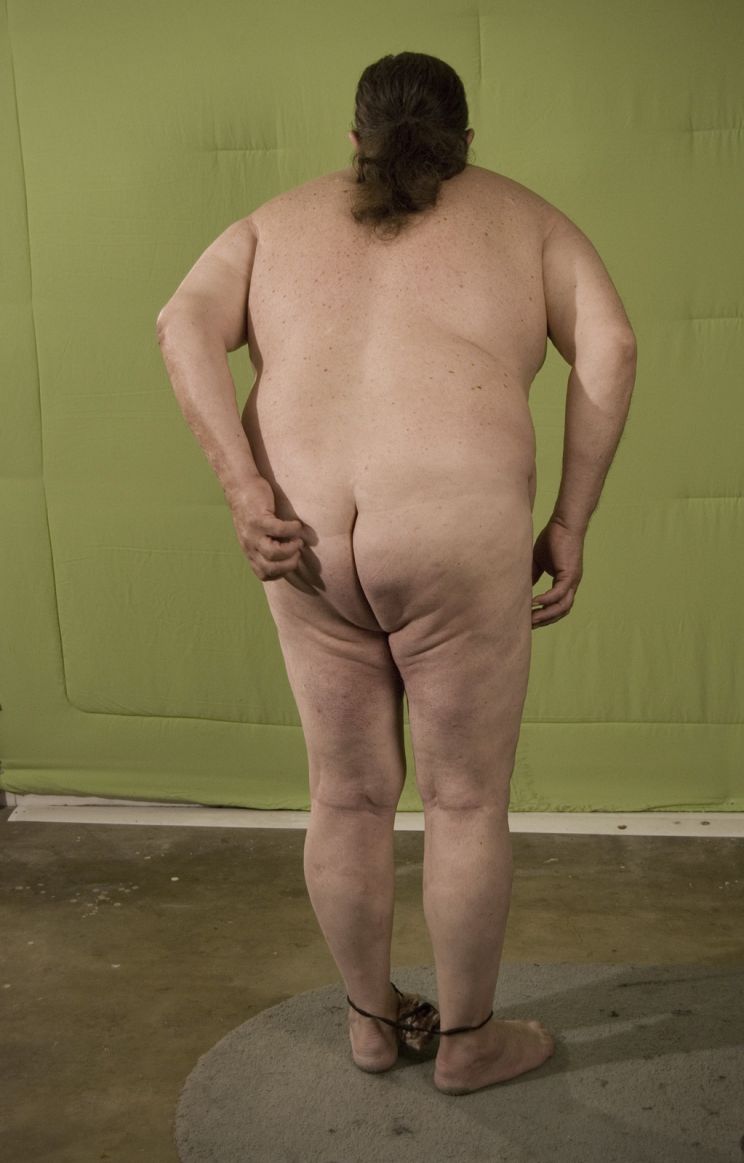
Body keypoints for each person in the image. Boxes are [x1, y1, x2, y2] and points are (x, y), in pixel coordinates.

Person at [156, 51, 637, 1095]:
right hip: (457, 528)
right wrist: (570, 518)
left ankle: (373, 1023)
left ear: (354, 139)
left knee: (346, 794)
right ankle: (467, 1041)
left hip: (303, 534)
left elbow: (179, 322)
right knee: (463, 799)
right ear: (467, 143)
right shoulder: (529, 220)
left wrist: (244, 487)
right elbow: (612, 346)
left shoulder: (272, 222)